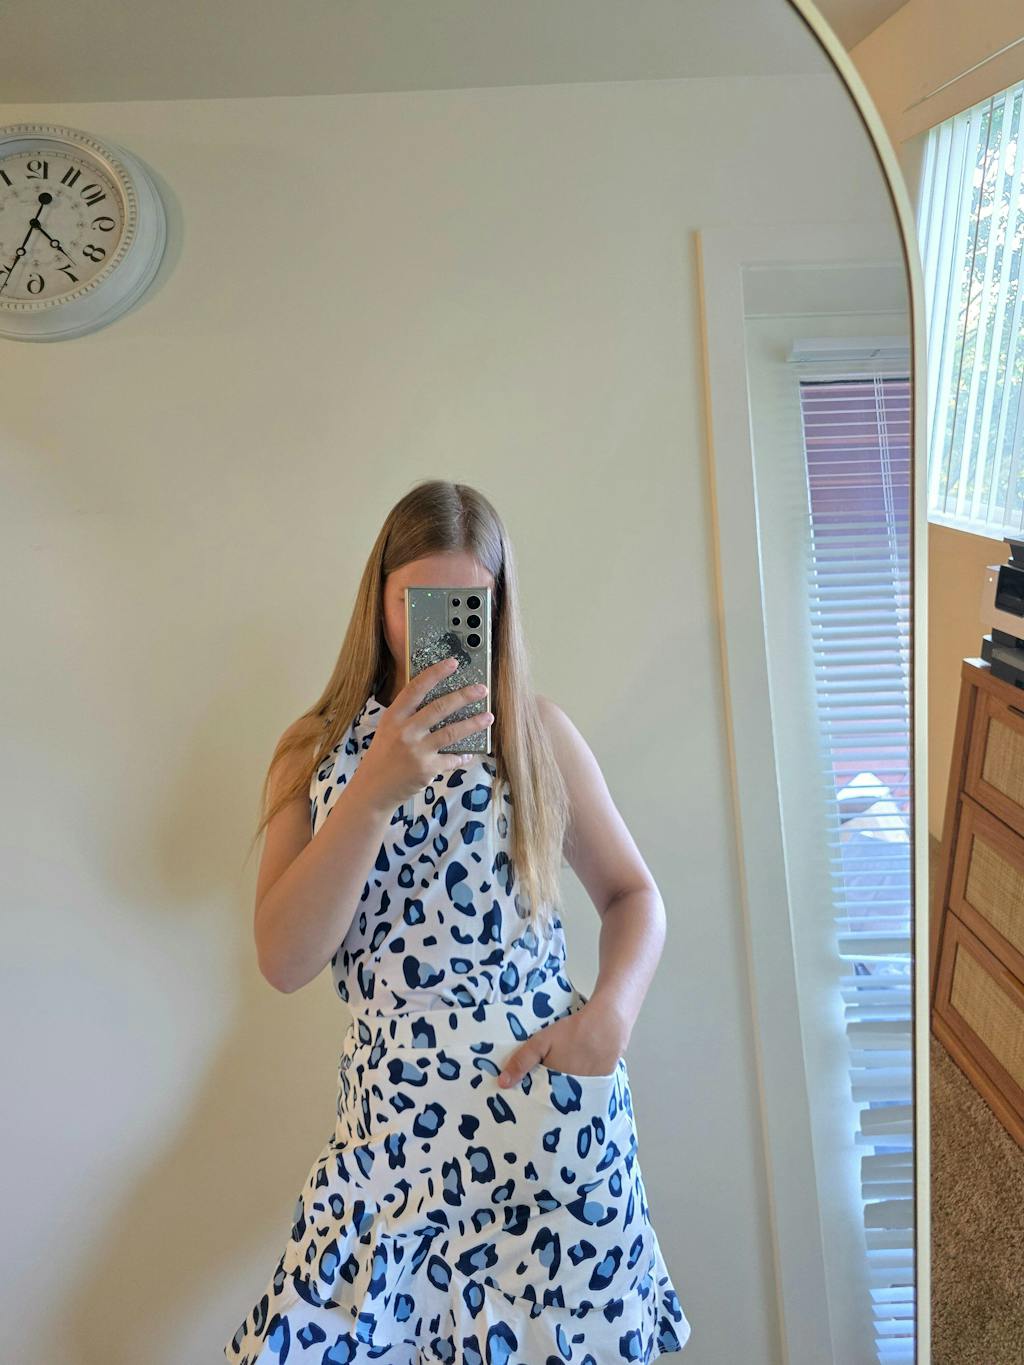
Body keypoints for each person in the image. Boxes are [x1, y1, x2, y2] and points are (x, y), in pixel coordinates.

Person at [224, 479, 692, 1362]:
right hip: (391, 1145)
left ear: (497, 608)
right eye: (420, 604)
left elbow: (636, 897)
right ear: (380, 602)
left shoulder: (536, 734)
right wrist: (372, 792)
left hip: (548, 1141)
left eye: (466, 605)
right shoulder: (314, 750)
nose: (440, 630)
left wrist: (611, 1018)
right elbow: (284, 959)